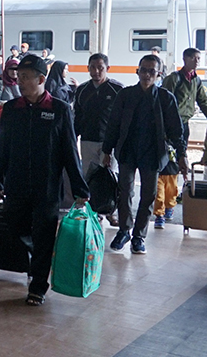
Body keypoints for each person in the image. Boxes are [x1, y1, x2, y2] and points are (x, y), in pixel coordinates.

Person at [0, 54, 89, 306]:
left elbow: (70, 151)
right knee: (17, 228)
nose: (20, 82)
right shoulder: (12, 109)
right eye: (18, 77)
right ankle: (34, 260)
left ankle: (38, 285)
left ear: (41, 79)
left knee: (44, 236)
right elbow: (2, 147)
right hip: (16, 184)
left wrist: (80, 188)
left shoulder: (59, 109)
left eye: (25, 77)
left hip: (47, 187)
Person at [102, 54, 187, 255]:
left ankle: (139, 237)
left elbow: (176, 130)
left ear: (159, 74)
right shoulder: (125, 95)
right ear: (137, 71)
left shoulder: (166, 98)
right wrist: (107, 150)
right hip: (127, 150)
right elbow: (113, 124)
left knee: (148, 195)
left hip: (153, 153)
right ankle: (124, 231)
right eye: (143, 70)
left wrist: (182, 154)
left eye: (151, 71)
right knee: (125, 192)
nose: (147, 74)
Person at [158, 47, 207, 225]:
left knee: (180, 161)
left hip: (184, 125)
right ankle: (161, 206)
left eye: (199, 58)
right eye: (194, 58)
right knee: (165, 164)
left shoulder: (197, 81)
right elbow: (162, 100)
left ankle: (171, 199)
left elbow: (203, 101)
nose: (197, 61)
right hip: (169, 126)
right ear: (185, 59)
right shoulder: (174, 79)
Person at [73, 53, 123, 180]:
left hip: (110, 142)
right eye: (92, 67)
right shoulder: (82, 90)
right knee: (88, 177)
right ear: (88, 68)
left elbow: (123, 118)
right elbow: (77, 117)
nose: (96, 71)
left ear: (108, 68)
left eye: (100, 68)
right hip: (87, 141)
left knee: (110, 178)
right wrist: (74, 137)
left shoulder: (118, 89)